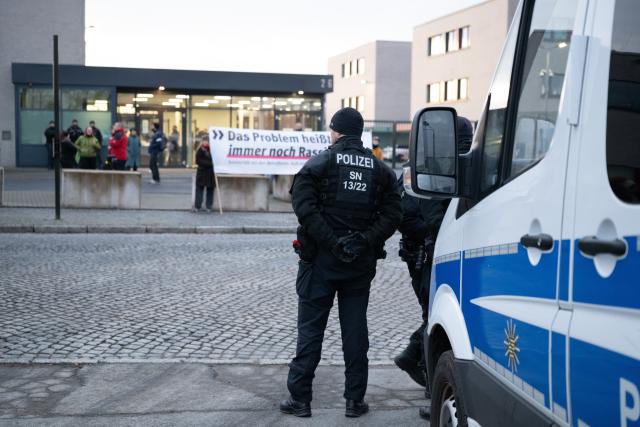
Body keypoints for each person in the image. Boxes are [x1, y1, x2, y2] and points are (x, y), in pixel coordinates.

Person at [280, 107, 402, 419]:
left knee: (310, 331)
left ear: (335, 132)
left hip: (320, 262)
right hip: (359, 265)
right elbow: (393, 214)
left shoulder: (319, 163)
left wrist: (332, 242)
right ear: (359, 134)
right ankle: (354, 401)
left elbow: (304, 208)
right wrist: (364, 240)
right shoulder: (380, 169)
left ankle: (300, 399)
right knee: (355, 332)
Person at [395, 116, 474, 421]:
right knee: (434, 317)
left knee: (435, 317)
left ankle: (420, 366)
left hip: (434, 253)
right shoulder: (437, 168)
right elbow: (416, 215)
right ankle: (430, 383)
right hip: (428, 255)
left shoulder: (442, 166)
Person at [193, 135, 216, 212]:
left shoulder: (213, 150)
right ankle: (197, 206)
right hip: (202, 173)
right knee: (199, 190)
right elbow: (198, 161)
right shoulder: (199, 150)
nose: (206, 142)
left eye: (207, 141)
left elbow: (215, 161)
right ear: (202, 141)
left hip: (210, 174)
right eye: (204, 140)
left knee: (210, 190)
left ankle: (209, 206)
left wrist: (210, 164)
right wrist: (210, 164)